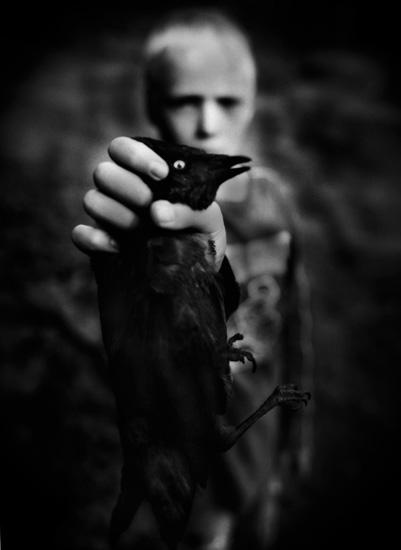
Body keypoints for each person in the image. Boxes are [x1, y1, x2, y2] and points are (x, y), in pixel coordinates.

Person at [72, 8, 314, 550]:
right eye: (186, 101)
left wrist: (295, 437)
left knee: (253, 525)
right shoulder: (149, 224)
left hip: (259, 446)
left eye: (227, 102)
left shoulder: (275, 204)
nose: (207, 122)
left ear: (251, 103)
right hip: (187, 438)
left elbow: (296, 325)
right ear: (153, 106)